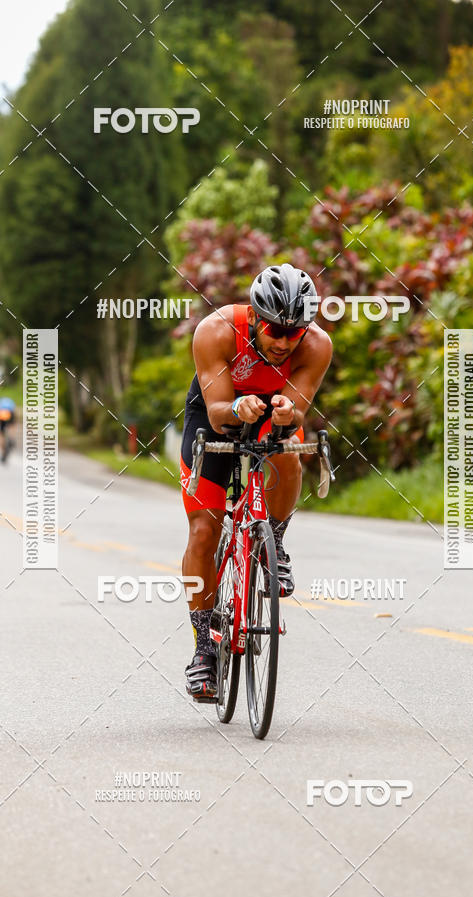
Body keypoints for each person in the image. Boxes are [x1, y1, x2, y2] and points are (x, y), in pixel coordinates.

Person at [180, 263, 332, 702]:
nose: (283, 342)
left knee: (289, 456)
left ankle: (275, 541)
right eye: (274, 331)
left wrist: (289, 414)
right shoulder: (217, 331)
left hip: (272, 413)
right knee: (204, 530)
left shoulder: (316, 345)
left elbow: (299, 413)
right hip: (219, 411)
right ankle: (205, 649)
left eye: (294, 332)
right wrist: (237, 409)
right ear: (254, 315)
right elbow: (216, 411)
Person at [0, 396, 17, 462]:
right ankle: (11, 438)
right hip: (10, 413)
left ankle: (2, 452)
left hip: (1, 414)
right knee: (11, 426)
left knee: (1, 433)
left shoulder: (0, 401)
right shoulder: (11, 401)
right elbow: (14, 411)